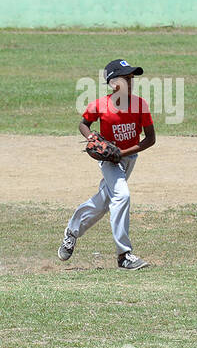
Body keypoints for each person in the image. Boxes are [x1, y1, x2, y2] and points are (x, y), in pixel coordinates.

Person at [59, 60, 155, 270]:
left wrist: (123, 152)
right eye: (126, 78)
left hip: (128, 158)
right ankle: (124, 255)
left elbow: (150, 139)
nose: (131, 82)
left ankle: (72, 231)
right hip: (109, 160)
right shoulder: (99, 105)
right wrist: (93, 138)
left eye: (132, 78)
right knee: (122, 196)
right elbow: (83, 124)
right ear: (113, 84)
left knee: (104, 202)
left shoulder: (140, 105)